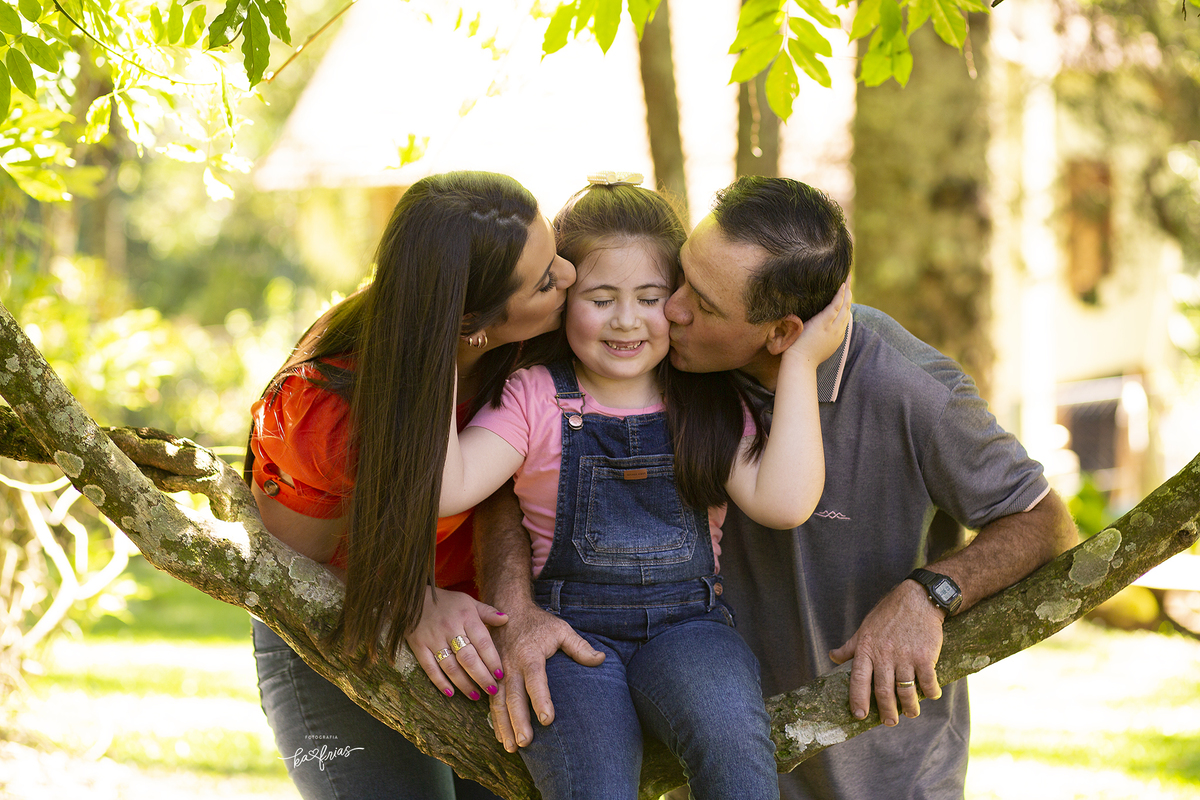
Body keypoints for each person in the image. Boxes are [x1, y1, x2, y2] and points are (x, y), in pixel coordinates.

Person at [477, 176, 1078, 800]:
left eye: (701, 304)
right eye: (680, 278)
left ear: (782, 334)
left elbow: (1043, 521)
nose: (671, 309)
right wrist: (515, 612)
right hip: (714, 745)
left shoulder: (911, 390)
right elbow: (518, 481)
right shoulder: (671, 366)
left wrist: (930, 594)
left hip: (884, 770)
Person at [440, 177, 851, 799]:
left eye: (650, 297)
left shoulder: (707, 399)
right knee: (593, 785)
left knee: (737, 755)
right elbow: (450, 487)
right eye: (601, 298)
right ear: (564, 298)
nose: (626, 320)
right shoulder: (535, 396)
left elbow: (784, 502)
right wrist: (437, 349)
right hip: (567, 636)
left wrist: (800, 363)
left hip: (691, 628)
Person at [245, 171, 592, 799]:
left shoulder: (534, 348)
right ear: (470, 323)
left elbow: (507, 495)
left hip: (479, 623)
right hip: (333, 627)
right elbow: (291, 568)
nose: (570, 276)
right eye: (546, 280)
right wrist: (405, 599)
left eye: (555, 254)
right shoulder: (323, 412)